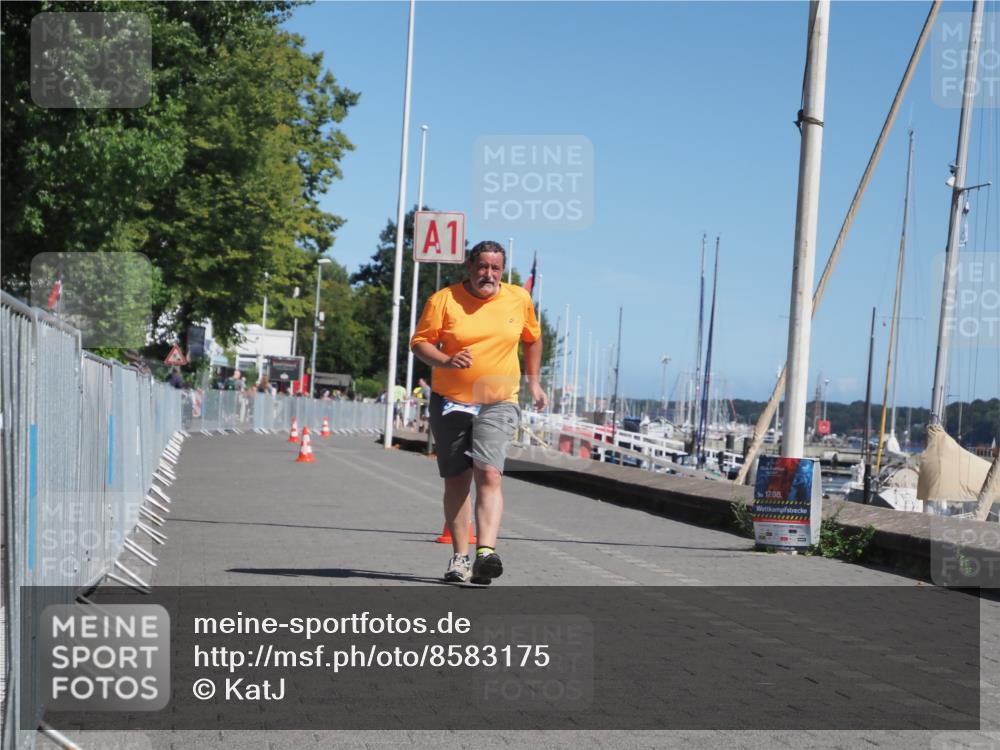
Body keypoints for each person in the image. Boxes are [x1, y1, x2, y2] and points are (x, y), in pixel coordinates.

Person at [410, 240, 547, 585]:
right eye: (482, 266)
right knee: (457, 479)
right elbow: (419, 342)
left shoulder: (519, 298)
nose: (489, 274)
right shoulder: (443, 300)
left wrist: (534, 383)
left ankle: (486, 553)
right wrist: (445, 359)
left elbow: (532, 339)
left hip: (498, 399)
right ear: (470, 267)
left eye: (495, 268)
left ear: (503, 271)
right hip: (451, 400)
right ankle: (460, 557)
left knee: (490, 474)